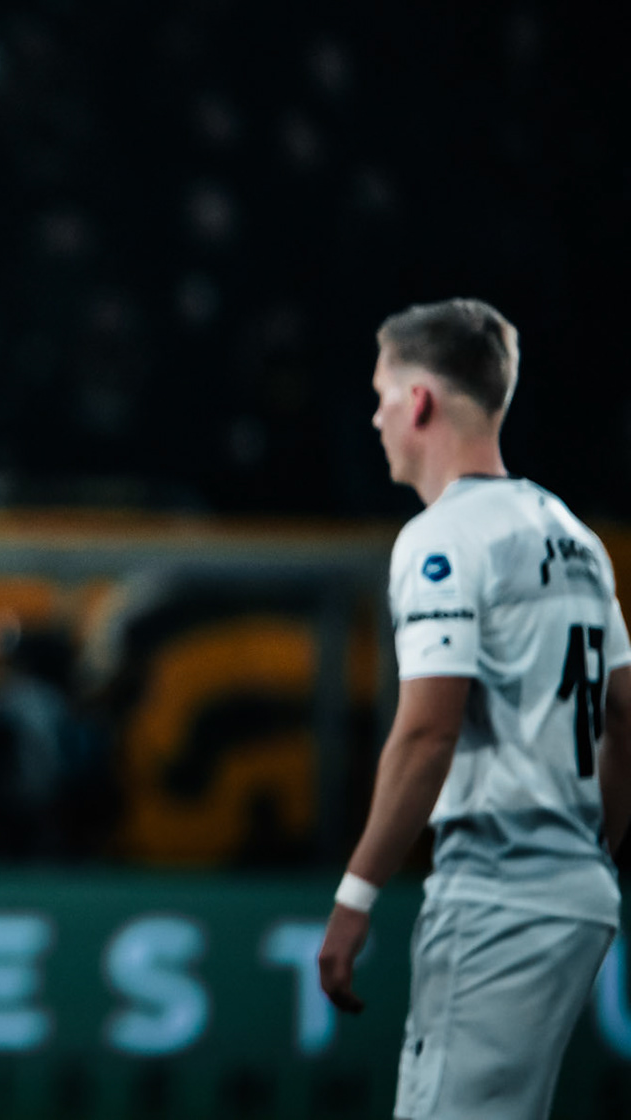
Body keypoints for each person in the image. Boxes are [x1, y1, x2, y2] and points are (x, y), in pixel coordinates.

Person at [318, 298, 631, 1120]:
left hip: (498, 888)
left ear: (419, 401)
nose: (377, 414)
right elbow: (624, 713)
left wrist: (356, 896)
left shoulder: (441, 540)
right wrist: (593, 852)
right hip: (577, 893)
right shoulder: (574, 535)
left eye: (384, 392)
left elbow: (428, 731)